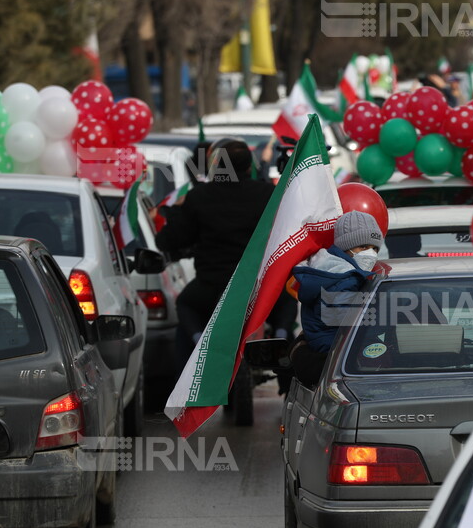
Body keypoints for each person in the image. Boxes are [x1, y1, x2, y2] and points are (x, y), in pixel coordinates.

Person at [155, 138, 276, 372]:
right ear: (249, 166)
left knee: (185, 304)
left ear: (217, 164)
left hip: (211, 284)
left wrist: (177, 214)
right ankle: (281, 341)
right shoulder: (268, 194)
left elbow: (173, 238)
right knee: (284, 308)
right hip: (255, 285)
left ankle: (198, 344)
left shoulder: (199, 196)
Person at [288, 211, 382, 386]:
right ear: (346, 247)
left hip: (329, 353)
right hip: (336, 359)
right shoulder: (343, 279)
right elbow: (356, 328)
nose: (371, 253)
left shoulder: (331, 272)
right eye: (363, 247)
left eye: (375, 248)